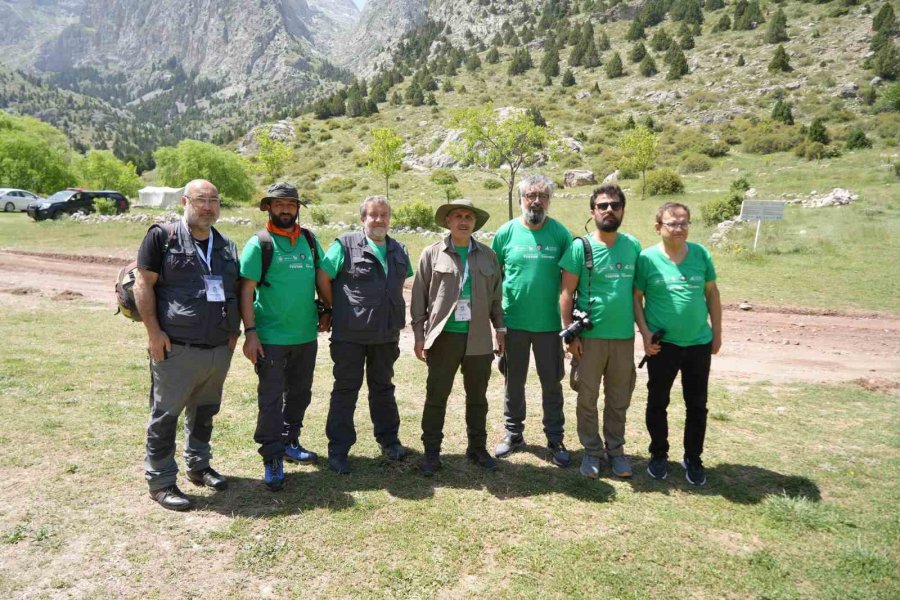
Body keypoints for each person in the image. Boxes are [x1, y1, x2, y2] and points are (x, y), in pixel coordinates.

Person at [134, 180, 240, 511]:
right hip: (175, 348)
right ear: (185, 202)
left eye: (214, 200)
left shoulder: (226, 245)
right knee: (165, 416)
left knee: (205, 411)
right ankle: (161, 482)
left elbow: (234, 290)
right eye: (200, 199)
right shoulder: (162, 237)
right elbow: (143, 284)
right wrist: (154, 333)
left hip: (217, 348)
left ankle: (199, 465)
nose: (207, 206)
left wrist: (233, 332)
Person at [239, 182, 326, 491]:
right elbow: (246, 291)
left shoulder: (309, 240)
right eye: (279, 204)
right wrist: (250, 333)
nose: (285, 209)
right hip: (271, 338)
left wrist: (328, 310)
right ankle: (272, 456)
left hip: (305, 335)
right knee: (271, 399)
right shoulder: (259, 244)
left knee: (300, 393)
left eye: (290, 204)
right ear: (269, 208)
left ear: (297, 208)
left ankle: (290, 441)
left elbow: (322, 277)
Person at [317, 195, 413, 474]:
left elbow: (402, 282)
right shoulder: (344, 245)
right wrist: (334, 307)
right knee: (346, 390)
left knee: (383, 388)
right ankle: (338, 450)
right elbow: (323, 276)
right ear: (363, 218)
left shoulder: (399, 249)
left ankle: (389, 440)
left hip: (386, 333)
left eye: (384, 214)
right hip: (351, 334)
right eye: (373, 215)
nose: (379, 219)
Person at [411, 199, 505, 476]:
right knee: (436, 397)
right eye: (458, 216)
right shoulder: (432, 254)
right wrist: (419, 336)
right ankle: (431, 453)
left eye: (469, 217)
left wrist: (500, 329)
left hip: (479, 338)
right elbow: (418, 299)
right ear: (448, 221)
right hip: (444, 338)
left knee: (478, 398)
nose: (464, 221)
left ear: (474, 223)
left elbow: (497, 298)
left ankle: (477, 448)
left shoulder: (488, 255)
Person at [634, 202, 722, 486]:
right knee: (657, 402)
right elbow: (636, 298)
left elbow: (712, 293)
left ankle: (693, 459)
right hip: (663, 346)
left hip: (699, 343)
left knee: (697, 405)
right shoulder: (646, 259)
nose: (679, 228)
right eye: (672, 223)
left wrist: (717, 333)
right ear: (658, 227)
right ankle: (658, 454)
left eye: (684, 223)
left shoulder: (701, 254)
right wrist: (645, 334)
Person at [559, 184, 642, 480]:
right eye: (603, 205)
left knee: (619, 398)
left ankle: (616, 451)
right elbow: (566, 293)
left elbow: (637, 294)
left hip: (623, 338)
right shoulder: (579, 247)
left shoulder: (633, 246)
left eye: (615, 205)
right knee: (587, 398)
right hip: (589, 340)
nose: (609, 210)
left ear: (623, 210)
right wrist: (570, 336)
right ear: (593, 211)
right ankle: (591, 452)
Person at [491, 174, 573, 466]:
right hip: (513, 323)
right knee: (514, 381)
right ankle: (514, 434)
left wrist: (568, 324)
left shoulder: (561, 235)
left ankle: (555, 438)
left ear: (549, 201)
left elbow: (571, 281)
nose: (536, 201)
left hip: (549, 325)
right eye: (531, 195)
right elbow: (494, 279)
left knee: (552, 383)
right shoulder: (505, 233)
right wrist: (497, 323)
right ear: (520, 199)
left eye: (543, 196)